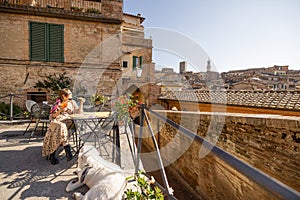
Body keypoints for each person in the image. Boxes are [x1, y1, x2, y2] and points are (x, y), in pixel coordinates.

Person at [42, 88, 83, 165]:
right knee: (60, 126)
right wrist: (60, 110)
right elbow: (53, 116)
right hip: (56, 121)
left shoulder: (72, 103)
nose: (71, 95)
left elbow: (79, 113)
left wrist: (81, 103)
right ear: (63, 96)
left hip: (67, 120)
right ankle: (67, 148)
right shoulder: (57, 104)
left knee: (60, 127)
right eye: (70, 94)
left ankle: (52, 155)